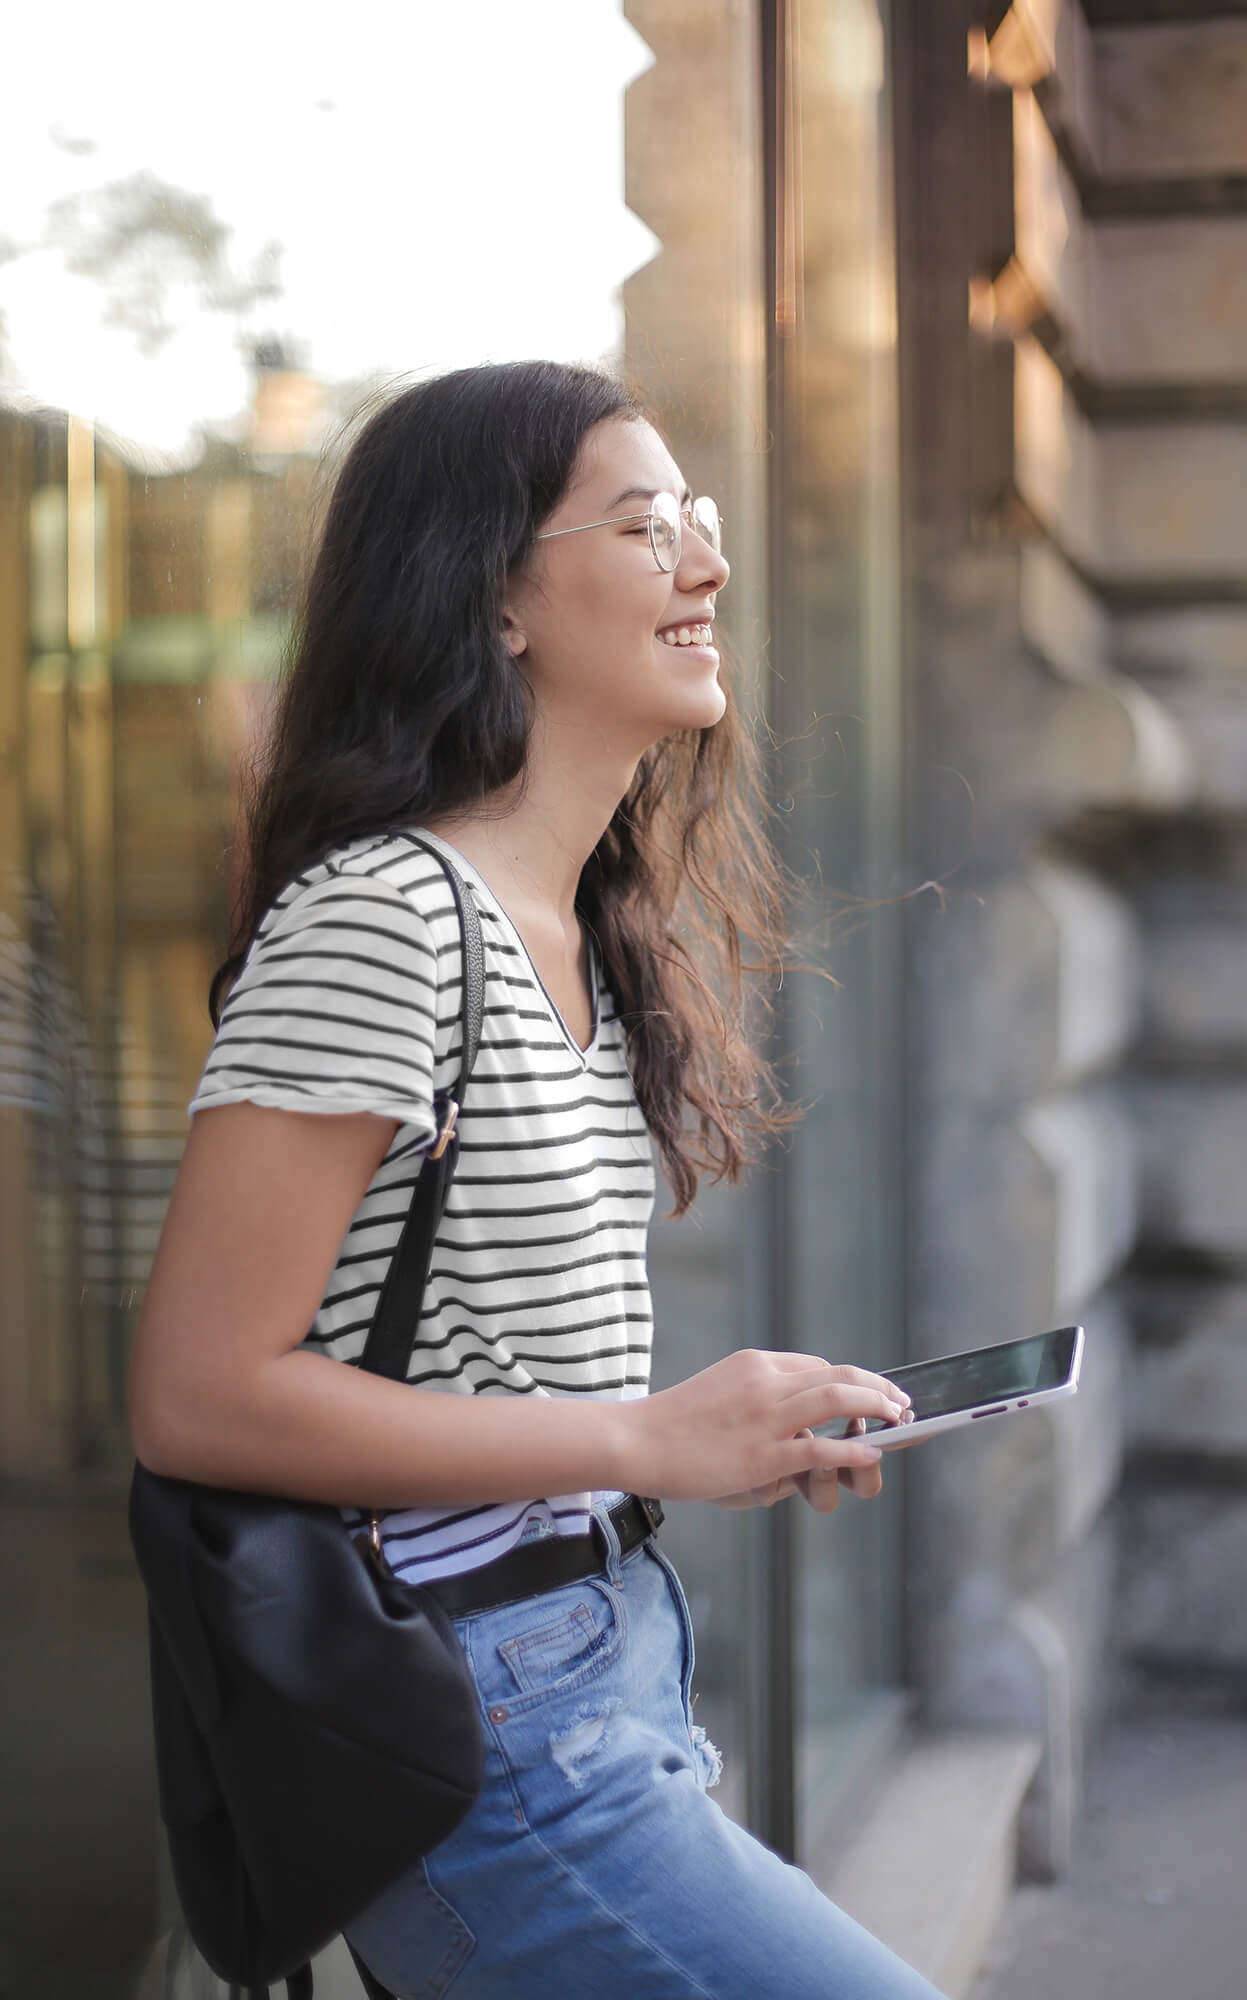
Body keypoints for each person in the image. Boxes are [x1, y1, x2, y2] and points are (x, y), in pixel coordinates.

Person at [129, 360, 941, 1999]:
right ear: (495, 598)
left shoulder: (570, 926)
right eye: (646, 527)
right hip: (483, 1733)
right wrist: (646, 1435)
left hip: (597, 1681)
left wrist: (725, 1441)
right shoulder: (391, 918)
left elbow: (479, 1373)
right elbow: (197, 1397)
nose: (706, 564)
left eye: (698, 522)